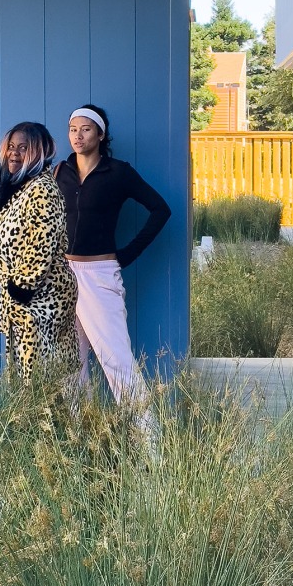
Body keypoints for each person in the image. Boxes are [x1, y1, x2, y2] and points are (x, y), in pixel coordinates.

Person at [55, 105, 171, 406]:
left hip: (100, 274)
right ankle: (80, 440)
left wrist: (128, 254)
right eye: (72, 129)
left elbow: (161, 210)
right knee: (71, 366)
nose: (78, 136)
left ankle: (150, 447)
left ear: (100, 134)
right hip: (63, 276)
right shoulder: (59, 172)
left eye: (86, 129)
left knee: (117, 361)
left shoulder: (118, 173)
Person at [0, 122, 79, 382]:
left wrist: (20, 289)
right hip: (23, 301)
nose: (14, 153)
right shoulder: (18, 188)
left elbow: (42, 246)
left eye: (23, 148)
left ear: (39, 152)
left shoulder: (42, 190)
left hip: (41, 301)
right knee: (30, 387)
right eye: (11, 147)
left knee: (40, 386)